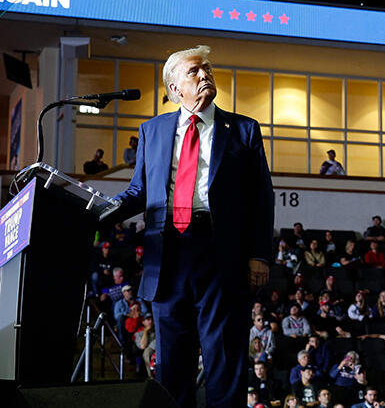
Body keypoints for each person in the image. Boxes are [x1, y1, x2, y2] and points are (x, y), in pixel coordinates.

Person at [103, 45, 273, 408]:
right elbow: (139, 191)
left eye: (207, 68)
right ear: (175, 87)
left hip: (221, 251)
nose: (205, 75)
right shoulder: (153, 130)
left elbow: (262, 197)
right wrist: (97, 213)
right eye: (194, 71)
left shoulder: (243, 129)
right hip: (168, 253)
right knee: (172, 363)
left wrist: (259, 255)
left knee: (224, 359)